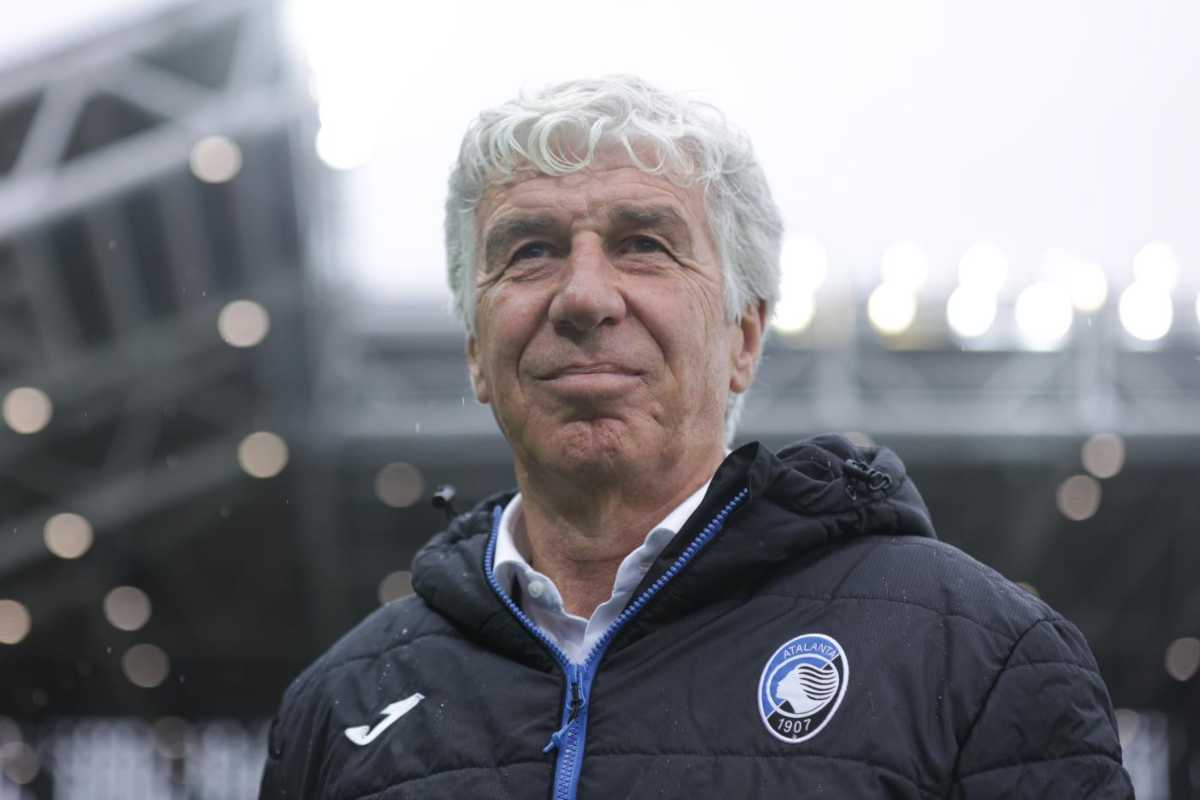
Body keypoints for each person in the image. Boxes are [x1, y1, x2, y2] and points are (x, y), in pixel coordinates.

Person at [260, 75, 1133, 798]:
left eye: (644, 244)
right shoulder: (338, 705)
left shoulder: (976, 656)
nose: (583, 297)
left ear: (744, 337)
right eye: (530, 251)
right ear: (475, 353)